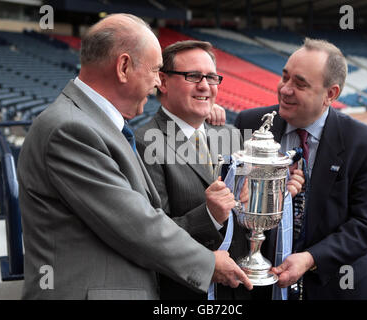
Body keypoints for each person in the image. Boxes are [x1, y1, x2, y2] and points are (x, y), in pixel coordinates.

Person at [17, 13, 252, 300]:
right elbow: (135, 225)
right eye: (155, 70)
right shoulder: (71, 129)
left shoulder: (94, 124)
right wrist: (207, 263)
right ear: (124, 67)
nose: (157, 83)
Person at [135, 40, 304, 300]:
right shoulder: (145, 142)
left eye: (211, 77)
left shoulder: (231, 135)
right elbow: (150, 237)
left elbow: (249, 211)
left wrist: (277, 194)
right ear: (163, 81)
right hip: (189, 293)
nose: (204, 85)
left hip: (243, 288)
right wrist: (210, 215)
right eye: (193, 76)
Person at [234, 38, 367, 299]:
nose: (285, 89)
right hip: (262, 285)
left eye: (300, 83)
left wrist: (310, 259)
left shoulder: (366, 143)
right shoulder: (250, 123)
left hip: (339, 289)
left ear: (331, 94)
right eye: (285, 77)